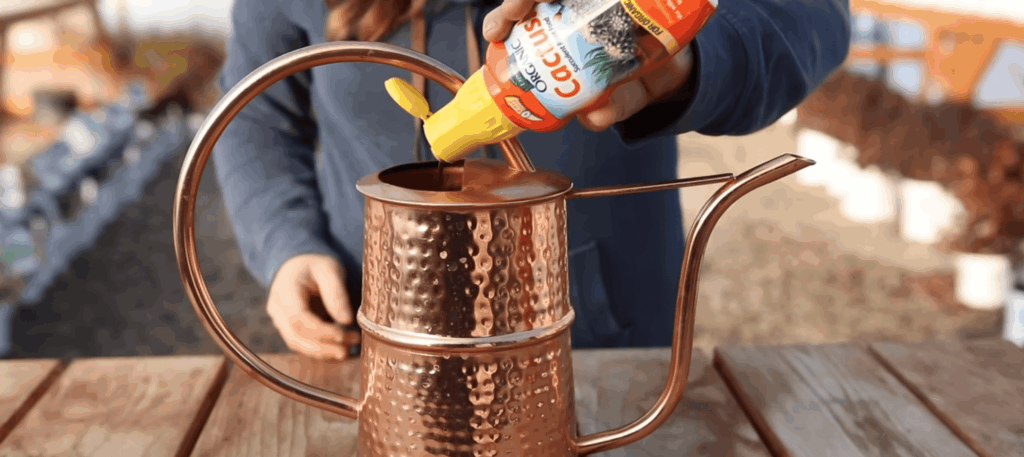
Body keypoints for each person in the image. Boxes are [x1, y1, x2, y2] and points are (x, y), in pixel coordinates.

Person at [212, 0, 852, 360]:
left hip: (604, 342)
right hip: (378, 333)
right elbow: (254, 118)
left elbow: (808, 16)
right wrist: (286, 244)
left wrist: (691, 61)